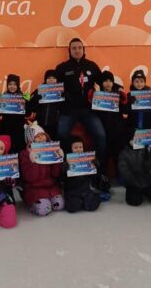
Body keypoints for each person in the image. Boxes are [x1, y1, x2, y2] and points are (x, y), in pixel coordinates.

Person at [55, 38, 107, 190]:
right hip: (69, 110)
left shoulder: (92, 66)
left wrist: (116, 88)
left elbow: (105, 82)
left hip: (88, 110)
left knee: (101, 136)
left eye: (79, 47)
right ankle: (67, 170)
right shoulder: (62, 68)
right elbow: (52, 85)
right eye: (74, 48)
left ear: (84, 50)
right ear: (69, 50)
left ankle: (99, 172)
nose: (77, 50)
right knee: (60, 134)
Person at [19, 122, 64, 216]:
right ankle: (31, 203)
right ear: (31, 139)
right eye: (37, 136)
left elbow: (55, 174)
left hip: (50, 186)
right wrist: (33, 162)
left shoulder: (51, 150)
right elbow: (30, 178)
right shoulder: (25, 154)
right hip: (34, 188)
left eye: (42, 135)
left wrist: (58, 159)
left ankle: (45, 200)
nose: (41, 138)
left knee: (59, 205)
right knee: (43, 209)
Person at [88, 70, 126, 178]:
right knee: (103, 155)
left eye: (110, 81)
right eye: (105, 81)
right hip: (103, 130)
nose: (108, 83)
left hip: (116, 131)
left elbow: (124, 108)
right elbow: (93, 110)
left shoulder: (117, 94)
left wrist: (122, 95)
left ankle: (120, 175)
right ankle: (102, 177)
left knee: (118, 154)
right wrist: (98, 94)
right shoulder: (95, 93)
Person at [117, 139, 151, 207]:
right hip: (132, 183)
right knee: (134, 201)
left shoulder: (145, 149)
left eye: (137, 139)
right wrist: (134, 181)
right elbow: (124, 170)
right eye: (132, 140)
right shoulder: (123, 153)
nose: (135, 141)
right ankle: (139, 192)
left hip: (146, 181)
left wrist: (147, 163)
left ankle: (148, 191)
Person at [61, 135, 101, 213]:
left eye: (80, 147)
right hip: (72, 191)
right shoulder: (66, 162)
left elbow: (94, 177)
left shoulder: (88, 160)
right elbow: (63, 179)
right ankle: (80, 201)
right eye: (75, 148)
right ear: (71, 149)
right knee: (72, 207)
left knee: (92, 206)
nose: (78, 149)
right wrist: (66, 168)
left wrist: (95, 166)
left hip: (85, 190)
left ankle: (88, 199)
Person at [27, 69, 64, 140]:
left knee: (53, 141)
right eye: (49, 78)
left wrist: (64, 96)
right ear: (45, 79)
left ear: (57, 80)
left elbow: (66, 107)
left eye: (54, 78)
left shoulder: (62, 91)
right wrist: (37, 97)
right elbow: (31, 105)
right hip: (41, 123)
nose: (51, 80)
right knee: (41, 142)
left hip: (55, 124)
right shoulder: (39, 90)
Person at [0, 73, 28, 154]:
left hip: (18, 129)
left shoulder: (23, 97)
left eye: (14, 84)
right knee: (6, 149)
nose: (12, 86)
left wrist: (28, 102)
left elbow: (27, 114)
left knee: (18, 150)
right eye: (10, 84)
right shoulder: (3, 97)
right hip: (6, 128)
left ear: (18, 85)